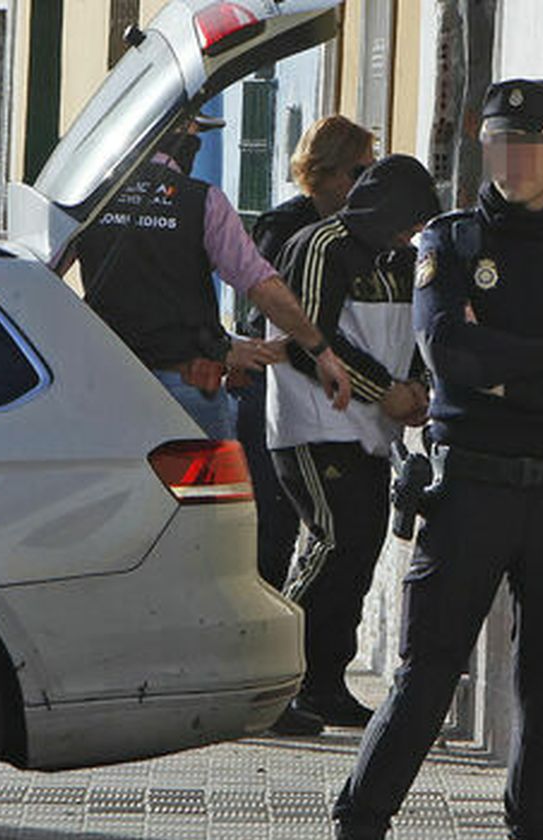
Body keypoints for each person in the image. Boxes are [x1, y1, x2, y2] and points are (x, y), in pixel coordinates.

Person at [317, 80, 543, 840]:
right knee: (425, 679)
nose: (516, 159)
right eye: (502, 143)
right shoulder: (452, 242)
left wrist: (505, 370)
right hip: (468, 490)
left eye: (532, 142)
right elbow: (449, 357)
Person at [264, 155, 440, 738]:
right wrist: (384, 389)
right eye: (407, 222)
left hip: (371, 429)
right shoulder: (322, 247)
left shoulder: (404, 260)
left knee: (358, 550)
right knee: (332, 542)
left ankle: (323, 682)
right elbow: (307, 339)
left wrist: (417, 387)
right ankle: (274, 678)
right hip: (315, 423)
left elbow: (416, 332)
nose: (411, 234)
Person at [77, 115, 353, 439]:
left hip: (103, 380)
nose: (196, 142)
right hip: (188, 382)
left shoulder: (89, 199)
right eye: (194, 132)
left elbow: (43, 271)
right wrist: (320, 350)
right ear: (179, 139)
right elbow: (260, 284)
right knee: (207, 473)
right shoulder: (202, 200)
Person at [238, 115, 375, 597]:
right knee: (272, 531)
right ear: (328, 170)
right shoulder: (285, 228)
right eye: (360, 172)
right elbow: (262, 318)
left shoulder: (359, 234)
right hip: (278, 394)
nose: (367, 184)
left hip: (333, 399)